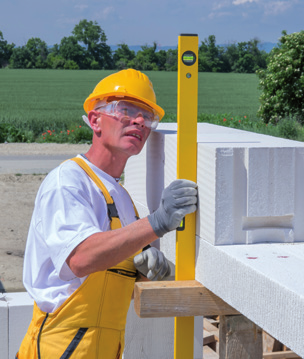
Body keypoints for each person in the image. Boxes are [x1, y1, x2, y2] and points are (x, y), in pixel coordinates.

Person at [17, 69, 198, 359]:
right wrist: (158, 222)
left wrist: (148, 272)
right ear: (95, 120)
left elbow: (112, 277)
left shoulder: (122, 198)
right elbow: (80, 258)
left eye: (147, 116)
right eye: (126, 111)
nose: (139, 121)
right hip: (58, 349)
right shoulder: (68, 181)